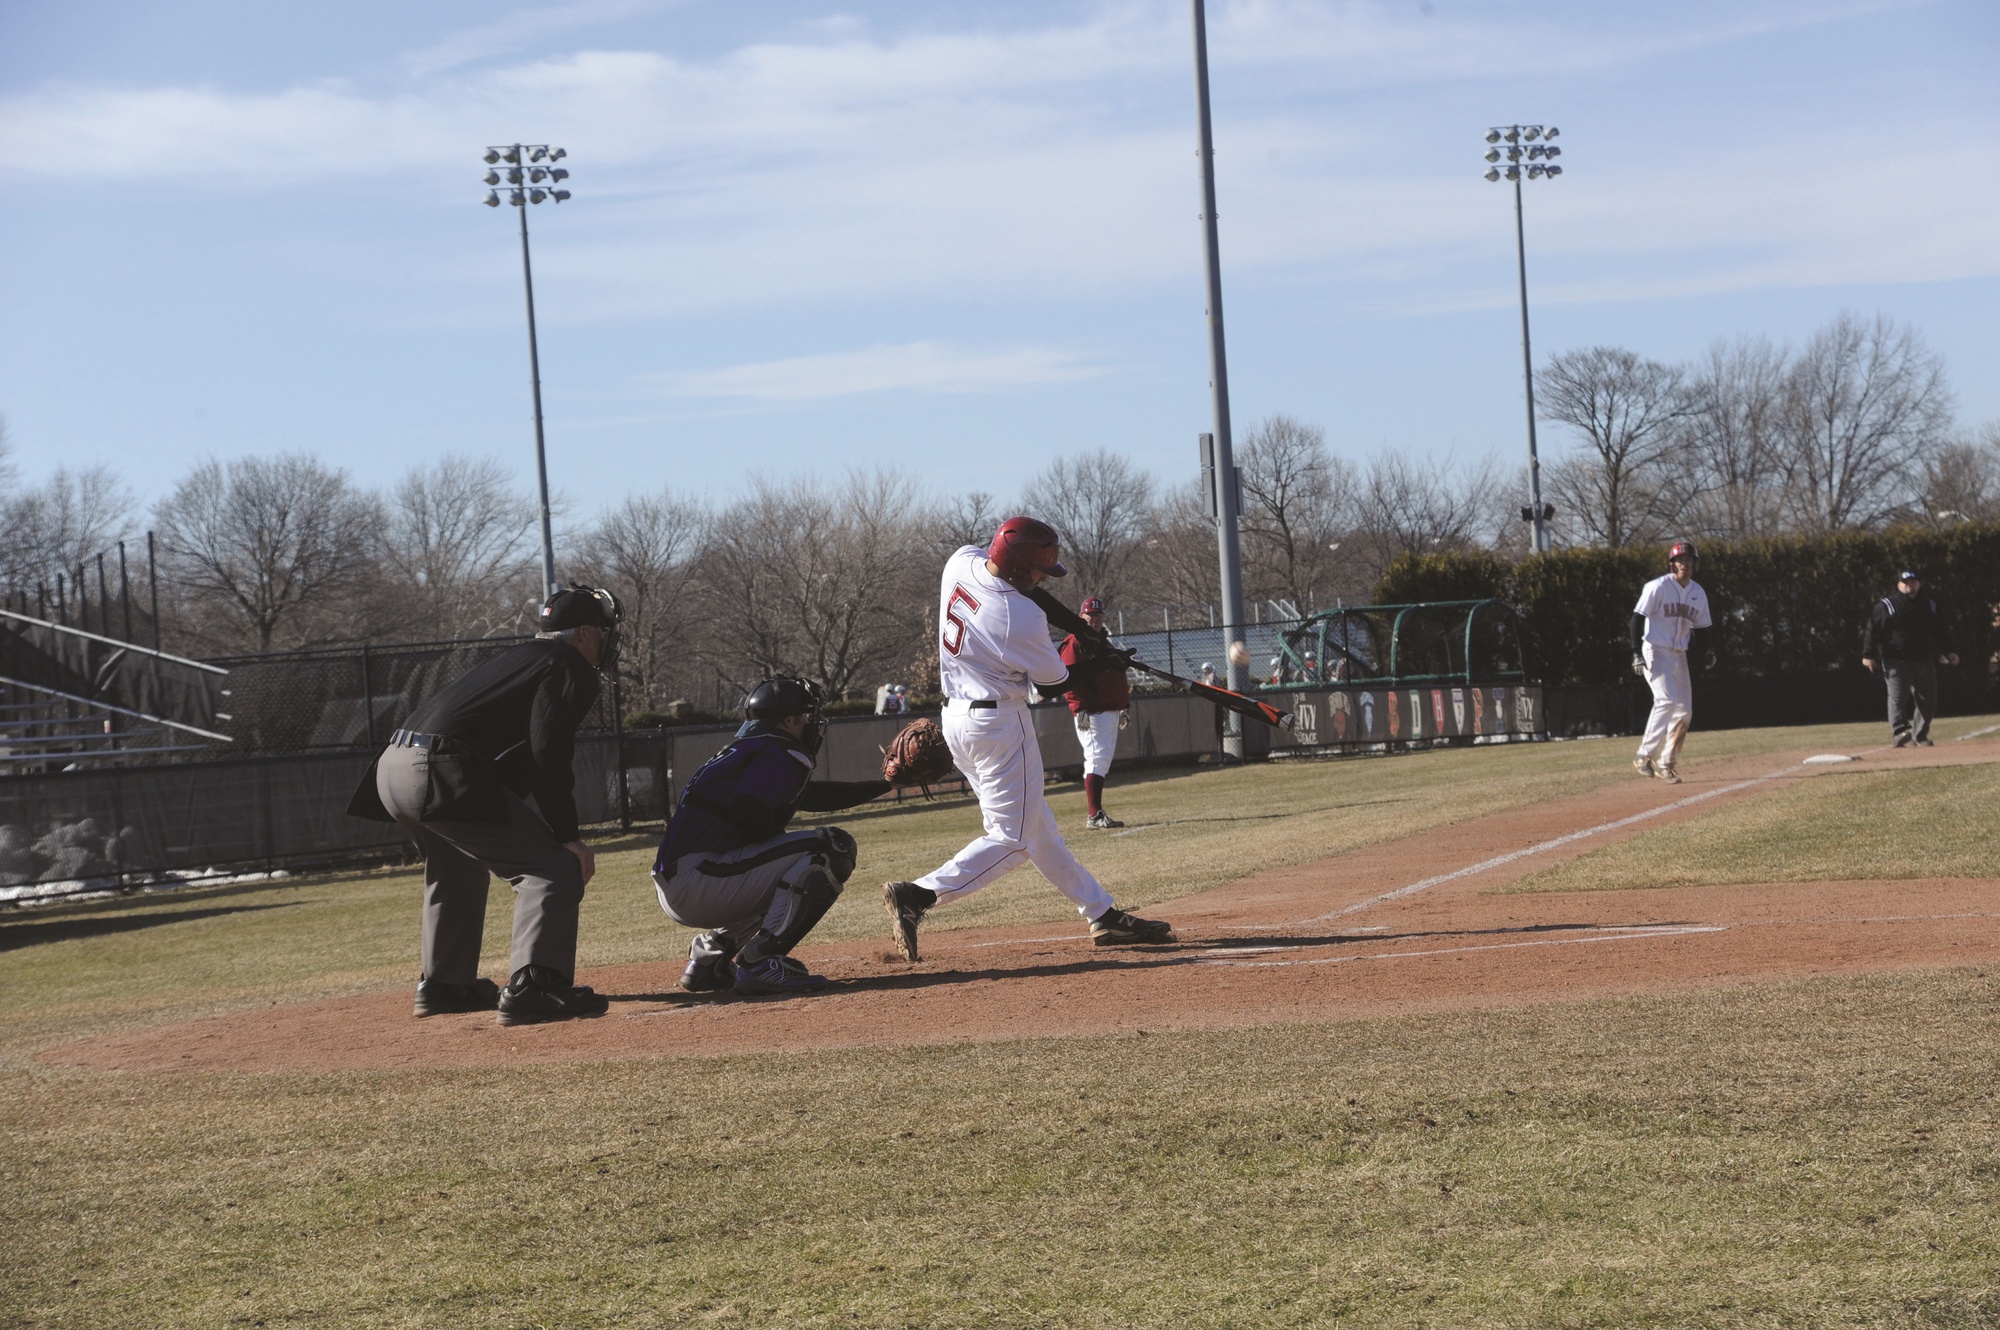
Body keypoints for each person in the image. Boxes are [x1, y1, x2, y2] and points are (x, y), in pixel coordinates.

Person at [882, 517, 1174, 961]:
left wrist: (1083, 631)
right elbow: (1054, 684)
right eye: (1038, 570)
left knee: (1038, 830)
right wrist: (1102, 663)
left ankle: (1102, 914)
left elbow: (1032, 592)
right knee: (1013, 839)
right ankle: (919, 894)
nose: (1042, 578)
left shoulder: (961, 561)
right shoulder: (1016, 618)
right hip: (999, 725)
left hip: (956, 720)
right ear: (1019, 569)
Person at [346, 583, 620, 1025]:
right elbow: (546, 754)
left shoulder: (519, 657)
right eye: (603, 633)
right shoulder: (568, 663)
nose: (606, 643)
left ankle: (445, 985)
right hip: (435, 768)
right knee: (551, 869)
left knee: (457, 864)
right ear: (585, 633)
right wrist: (567, 837)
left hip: (390, 766)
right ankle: (536, 987)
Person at [652, 677, 892, 994]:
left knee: (789, 872)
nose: (811, 724)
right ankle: (760, 961)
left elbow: (810, 797)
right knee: (831, 848)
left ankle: (709, 960)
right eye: (807, 716)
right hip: (702, 877)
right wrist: (780, 850)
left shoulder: (749, 748)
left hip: (688, 878)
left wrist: (888, 784)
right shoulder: (777, 748)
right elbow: (749, 811)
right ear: (788, 720)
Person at [1629, 541, 1713, 785]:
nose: (1684, 564)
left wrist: (1708, 650)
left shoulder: (1698, 593)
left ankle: (1667, 764)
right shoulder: (1657, 587)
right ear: (1672, 564)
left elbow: (1704, 627)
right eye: (1680, 560)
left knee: (1684, 711)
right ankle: (1643, 756)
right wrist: (1636, 652)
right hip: (1655, 649)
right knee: (1665, 700)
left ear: (1695, 565)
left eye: (1689, 561)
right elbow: (1636, 619)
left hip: (1679, 655)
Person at [1861, 569, 1959, 747]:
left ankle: (1919, 735)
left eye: (1913, 582)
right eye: (1906, 582)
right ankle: (1899, 732)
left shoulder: (1930, 604)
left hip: (1923, 660)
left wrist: (1950, 651)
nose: (1910, 585)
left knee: (1928, 699)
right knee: (1897, 698)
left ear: (1919, 584)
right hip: (1896, 661)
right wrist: (1868, 654)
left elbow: (1941, 630)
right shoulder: (1888, 605)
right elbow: (1873, 630)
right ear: (1899, 585)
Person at [1059, 595, 1132, 829]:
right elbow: (1068, 678)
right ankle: (1094, 815)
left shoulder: (1102, 642)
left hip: (1108, 709)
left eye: (1099, 615)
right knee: (1096, 759)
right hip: (1091, 712)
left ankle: (1096, 813)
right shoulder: (1075, 642)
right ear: (1081, 616)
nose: (1096, 619)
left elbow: (1117, 677)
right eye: (1091, 615)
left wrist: (1124, 706)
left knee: (1102, 762)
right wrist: (1078, 709)